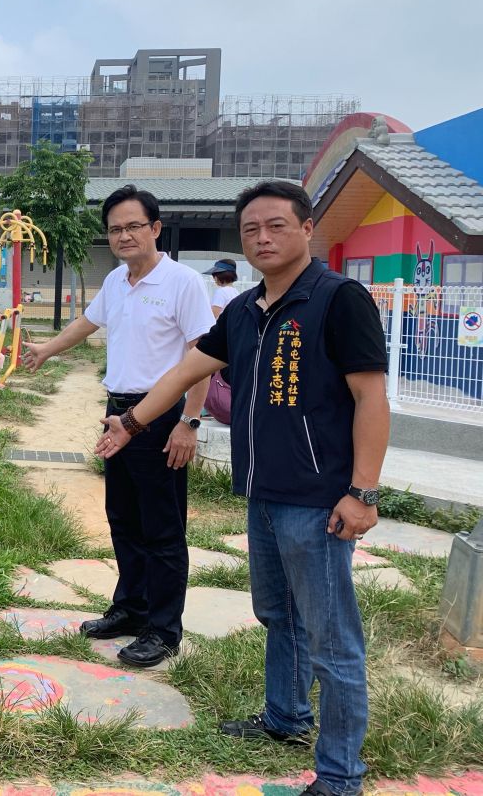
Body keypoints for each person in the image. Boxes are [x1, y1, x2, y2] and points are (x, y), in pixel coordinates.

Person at [94, 180, 389, 796]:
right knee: (276, 614)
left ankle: (340, 775)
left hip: (319, 500)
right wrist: (130, 422)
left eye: (277, 225)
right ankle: (285, 716)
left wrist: (363, 492)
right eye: (251, 229)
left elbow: (370, 398)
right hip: (262, 493)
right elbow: (186, 370)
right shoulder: (246, 312)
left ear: (308, 229)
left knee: (333, 642)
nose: (262, 237)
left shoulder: (339, 300)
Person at [23, 184, 213, 667]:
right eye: (115, 229)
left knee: (163, 529)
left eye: (133, 226)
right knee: (124, 519)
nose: (124, 236)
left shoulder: (183, 283)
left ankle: (164, 629)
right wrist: (46, 350)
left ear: (155, 229)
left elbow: (204, 357)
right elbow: (87, 324)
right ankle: (130, 609)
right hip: (117, 413)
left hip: (162, 415)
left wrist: (189, 422)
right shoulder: (115, 281)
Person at [201, 259, 239, 422]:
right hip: (233, 341)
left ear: (218, 276)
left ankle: (205, 409)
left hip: (219, 341)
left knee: (207, 376)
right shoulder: (236, 292)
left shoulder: (221, 292)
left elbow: (214, 316)